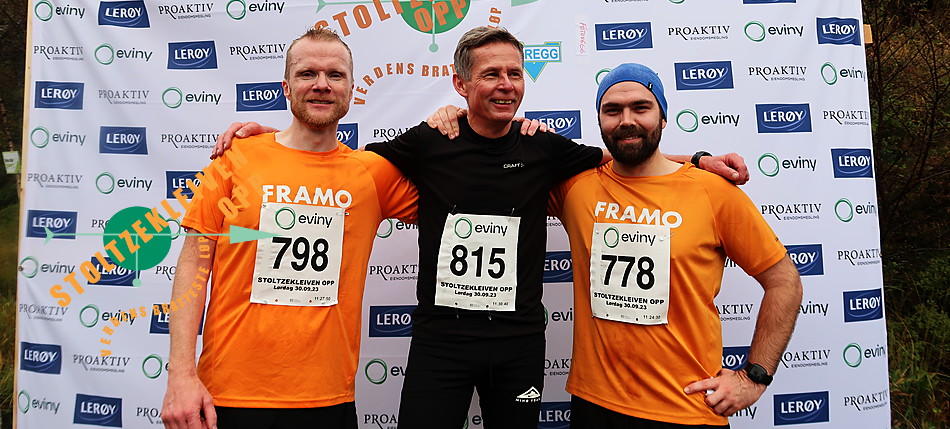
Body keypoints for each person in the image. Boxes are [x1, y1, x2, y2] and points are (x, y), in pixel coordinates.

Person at [215, 27, 749, 429]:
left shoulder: (543, 147)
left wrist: (699, 159)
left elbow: (628, 156)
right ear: (461, 83)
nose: (505, 85)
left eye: (515, 74)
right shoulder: (430, 141)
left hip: (518, 347)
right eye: (491, 74)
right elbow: (334, 158)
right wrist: (274, 139)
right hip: (440, 343)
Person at [160, 28, 417, 429]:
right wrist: (180, 374)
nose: (321, 84)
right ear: (286, 87)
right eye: (307, 74)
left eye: (335, 75)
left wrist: (480, 124)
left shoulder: (371, 174)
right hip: (229, 393)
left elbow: (459, 199)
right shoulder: (236, 158)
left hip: (328, 398)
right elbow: (194, 265)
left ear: (351, 90)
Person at [548, 63, 803, 428]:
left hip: (686, 408)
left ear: (663, 117)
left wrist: (754, 377)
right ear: (600, 120)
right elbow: (501, 169)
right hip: (594, 403)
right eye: (612, 110)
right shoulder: (576, 188)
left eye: (641, 108)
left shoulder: (712, 191)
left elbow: (784, 281)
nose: (626, 120)